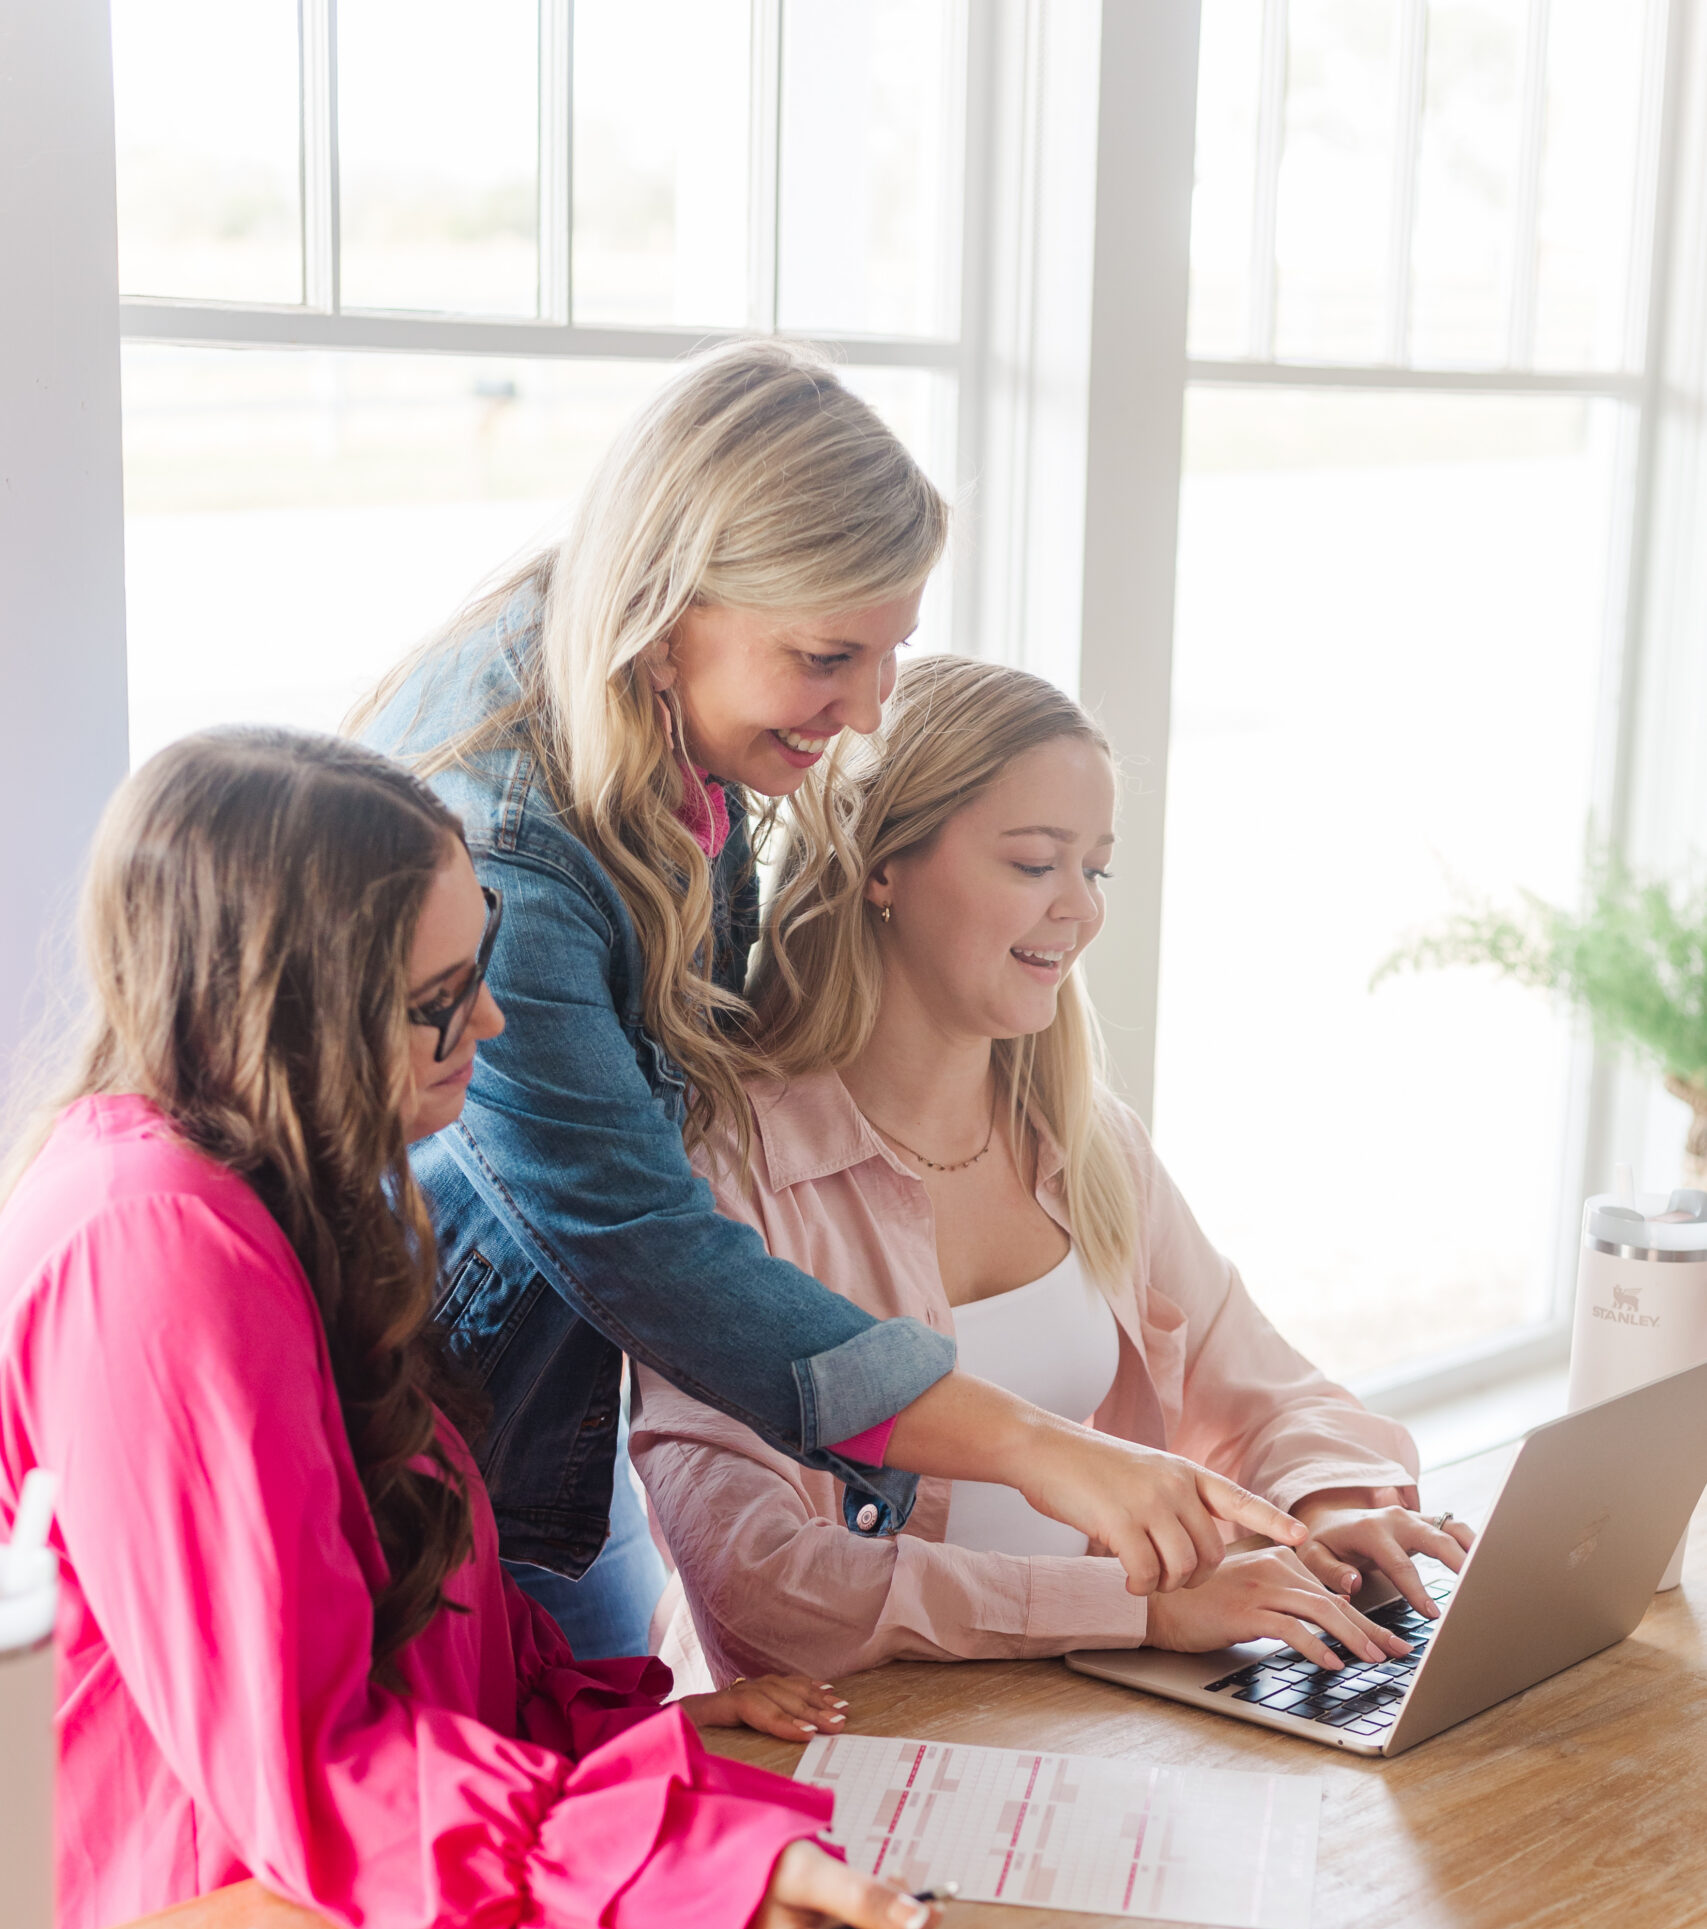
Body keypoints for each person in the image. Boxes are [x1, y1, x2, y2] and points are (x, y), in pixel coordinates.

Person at [353, 340, 1306, 1662]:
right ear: (669, 599)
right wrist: (1042, 1454)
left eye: (889, 652)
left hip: (541, 1427)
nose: (863, 714)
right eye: (826, 655)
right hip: (432, 1451)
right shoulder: (508, 841)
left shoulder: (658, 706)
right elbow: (643, 1252)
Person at [0, 729, 940, 1929]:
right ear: (284, 1005)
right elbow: (312, 1764)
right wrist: (675, 1877)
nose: (487, 1023)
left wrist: (616, 1740)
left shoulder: (281, 1197)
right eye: (437, 996)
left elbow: (422, 1639)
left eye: (482, 965)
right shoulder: (152, 1248)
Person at [629, 657, 1474, 1684]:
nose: (1081, 910)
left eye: (1097, 868)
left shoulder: (1088, 1144)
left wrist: (1328, 1509)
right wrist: (1134, 1605)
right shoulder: (730, 1169)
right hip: (832, 1755)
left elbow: (1269, 1395)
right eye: (1035, 864)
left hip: (1072, 1711)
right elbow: (757, 1585)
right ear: (881, 865)